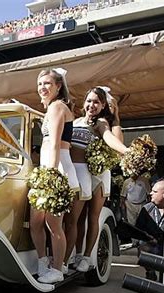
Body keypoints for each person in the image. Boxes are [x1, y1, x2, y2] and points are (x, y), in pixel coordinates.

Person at [64, 87, 128, 272]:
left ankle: (85, 257)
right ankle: (71, 255)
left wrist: (126, 150)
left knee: (92, 218)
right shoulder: (74, 121)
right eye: (89, 101)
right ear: (84, 103)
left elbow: (112, 139)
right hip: (77, 174)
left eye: (96, 102)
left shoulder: (101, 123)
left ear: (102, 106)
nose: (92, 105)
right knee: (75, 219)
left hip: (97, 176)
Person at [30, 68, 78, 284]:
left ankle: (58, 269)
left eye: (47, 83)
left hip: (56, 169)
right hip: (45, 170)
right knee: (35, 222)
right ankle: (42, 262)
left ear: (58, 86)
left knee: (53, 225)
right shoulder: (50, 109)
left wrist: (50, 175)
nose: (43, 87)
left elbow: (56, 144)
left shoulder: (58, 106)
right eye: (40, 84)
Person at [135, 179, 164, 281]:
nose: (150, 193)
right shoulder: (147, 209)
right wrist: (146, 239)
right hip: (154, 246)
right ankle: (150, 272)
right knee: (143, 248)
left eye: (155, 192)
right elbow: (138, 230)